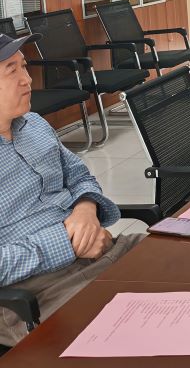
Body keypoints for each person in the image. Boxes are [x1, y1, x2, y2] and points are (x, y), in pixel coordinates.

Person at [0, 33, 142, 347]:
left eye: (24, 67)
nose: (27, 80)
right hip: (35, 293)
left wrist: (85, 211)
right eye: (11, 71)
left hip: (104, 249)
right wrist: (67, 242)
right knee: (137, 336)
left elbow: (80, 177)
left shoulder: (35, 124)